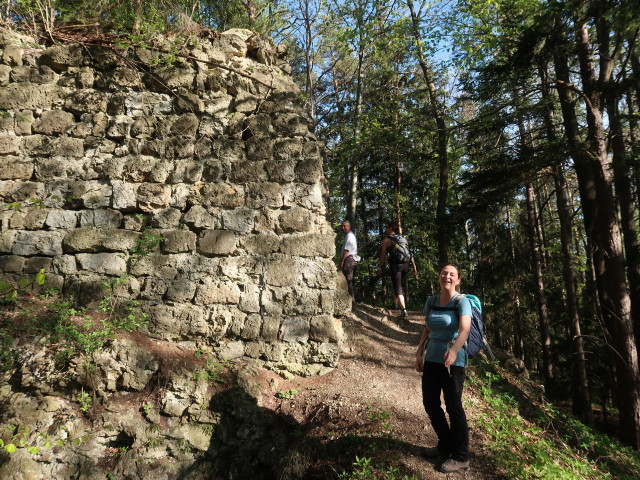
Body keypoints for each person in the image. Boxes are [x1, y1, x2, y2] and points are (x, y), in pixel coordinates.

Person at [415, 263, 472, 473]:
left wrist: (456, 349)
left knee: (453, 407)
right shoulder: (431, 301)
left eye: (452, 274)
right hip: (432, 359)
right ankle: (446, 445)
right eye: (444, 273)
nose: (447, 276)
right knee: (430, 403)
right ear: (440, 277)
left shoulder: (462, 302)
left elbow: (465, 329)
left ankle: (461, 456)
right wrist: (419, 352)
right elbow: (427, 327)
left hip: (453, 362)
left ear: (458, 280)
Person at [377, 221, 417, 317]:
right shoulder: (403, 238)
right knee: (399, 285)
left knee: (397, 286)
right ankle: (395, 304)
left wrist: (379, 268)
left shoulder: (386, 240)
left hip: (396, 265)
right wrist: (414, 266)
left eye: (387, 227)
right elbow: (409, 252)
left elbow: (382, 256)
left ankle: (404, 310)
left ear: (391, 228)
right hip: (406, 264)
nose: (385, 229)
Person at [339, 220, 358, 301]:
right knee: (349, 279)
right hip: (351, 259)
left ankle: (351, 299)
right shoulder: (349, 235)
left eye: (345, 226)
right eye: (342, 226)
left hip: (349, 260)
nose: (343, 228)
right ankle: (351, 299)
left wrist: (342, 261)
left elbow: (347, 250)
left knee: (348, 280)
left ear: (349, 227)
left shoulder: (350, 236)